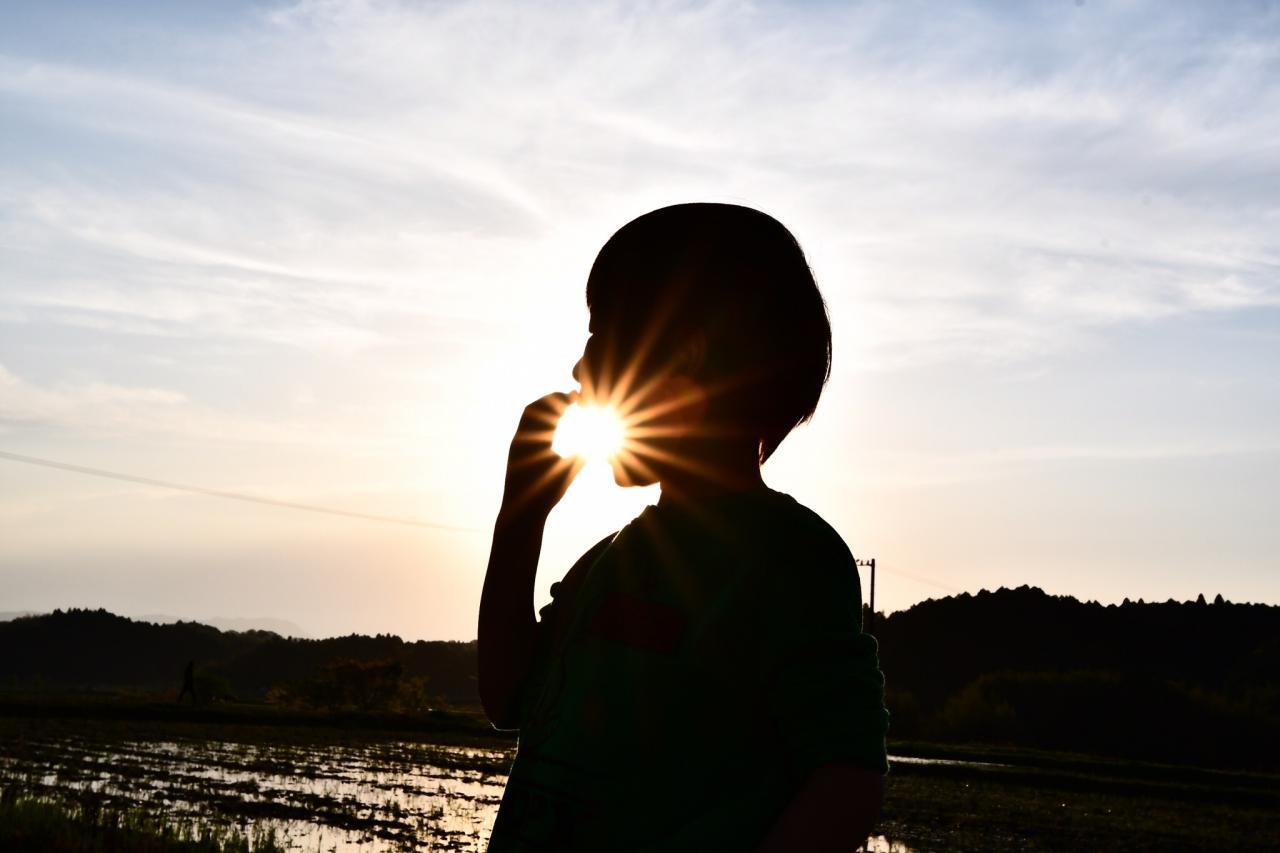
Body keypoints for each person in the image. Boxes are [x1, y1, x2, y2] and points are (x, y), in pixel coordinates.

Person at [479, 203, 889, 851]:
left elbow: (847, 774)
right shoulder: (608, 560)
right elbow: (507, 695)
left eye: (598, 336)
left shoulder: (793, 559)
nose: (580, 370)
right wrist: (521, 519)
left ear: (684, 354)